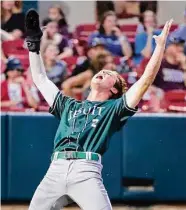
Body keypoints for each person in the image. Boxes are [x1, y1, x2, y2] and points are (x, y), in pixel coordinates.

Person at [25, 9, 172, 210]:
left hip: (86, 171)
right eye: (103, 70)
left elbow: (145, 81)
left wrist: (159, 48)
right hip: (55, 169)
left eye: (110, 73)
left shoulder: (114, 108)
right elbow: (40, 78)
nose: (103, 71)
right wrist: (33, 45)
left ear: (113, 89)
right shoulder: (68, 105)